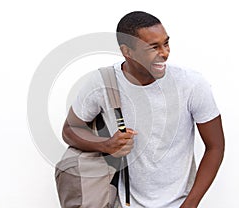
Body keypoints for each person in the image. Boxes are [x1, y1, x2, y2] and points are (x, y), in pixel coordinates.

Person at [62, 11, 225, 208]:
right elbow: (70, 130)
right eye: (153, 47)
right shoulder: (103, 83)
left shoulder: (191, 84)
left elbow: (215, 147)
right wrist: (106, 145)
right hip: (123, 203)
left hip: (180, 203)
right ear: (127, 51)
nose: (164, 53)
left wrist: (190, 204)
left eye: (166, 43)